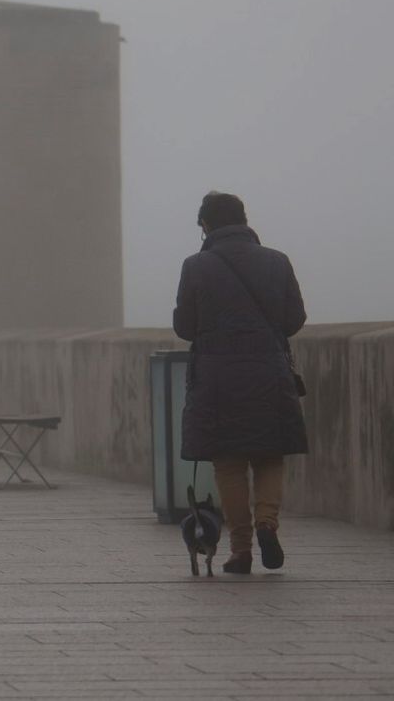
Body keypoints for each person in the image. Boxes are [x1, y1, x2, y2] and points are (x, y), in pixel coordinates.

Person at [176, 191, 307, 575]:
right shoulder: (277, 261)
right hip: (269, 372)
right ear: (244, 220)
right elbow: (294, 318)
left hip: (218, 380)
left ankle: (241, 551)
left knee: (229, 464)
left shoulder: (195, 266)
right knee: (269, 455)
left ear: (206, 226)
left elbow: (184, 327)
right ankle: (267, 522)